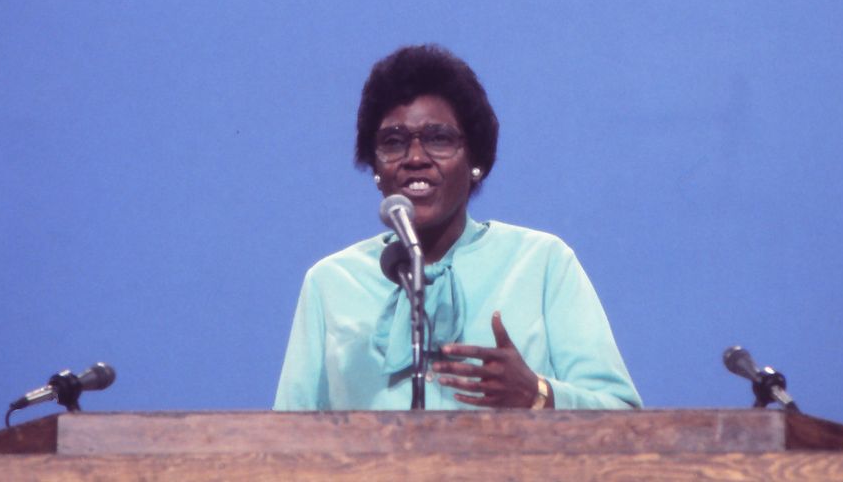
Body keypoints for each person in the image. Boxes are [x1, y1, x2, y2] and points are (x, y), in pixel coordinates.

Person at [274, 44, 640, 410]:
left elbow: (625, 416)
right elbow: (285, 445)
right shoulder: (331, 283)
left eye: (439, 139)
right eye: (393, 142)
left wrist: (537, 395)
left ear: (476, 160)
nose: (415, 158)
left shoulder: (542, 263)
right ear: (375, 167)